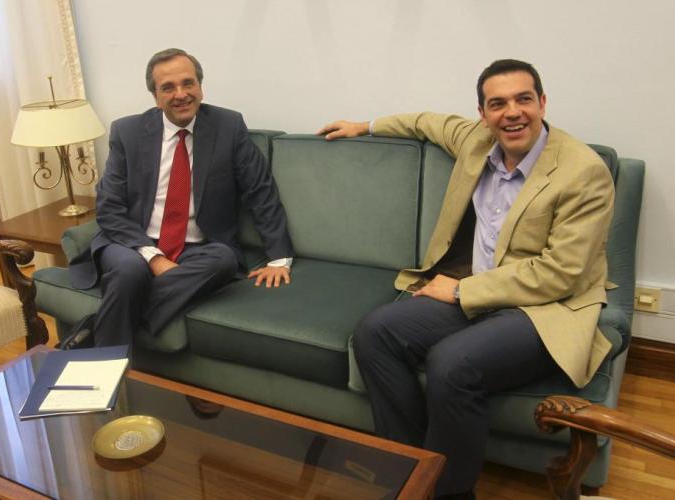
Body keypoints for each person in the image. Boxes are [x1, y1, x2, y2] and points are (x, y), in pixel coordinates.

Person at [317, 59, 614, 499]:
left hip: (543, 308)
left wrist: (460, 290)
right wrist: (364, 126)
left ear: (542, 102)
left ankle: (449, 494)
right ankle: (411, 470)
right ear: (483, 113)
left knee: (452, 364)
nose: (512, 112)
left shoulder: (582, 171)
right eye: (498, 104)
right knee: (375, 333)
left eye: (523, 99)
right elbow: (425, 122)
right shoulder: (477, 140)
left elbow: (561, 273)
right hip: (479, 294)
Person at [69, 48, 293, 348]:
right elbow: (109, 208)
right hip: (133, 242)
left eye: (188, 83)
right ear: (155, 97)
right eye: (168, 88)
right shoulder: (128, 132)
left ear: (200, 86)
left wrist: (279, 259)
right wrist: (154, 258)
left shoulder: (228, 127)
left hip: (197, 250)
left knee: (224, 260)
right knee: (129, 271)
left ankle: (101, 327)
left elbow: (260, 191)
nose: (181, 94)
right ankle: (104, 369)